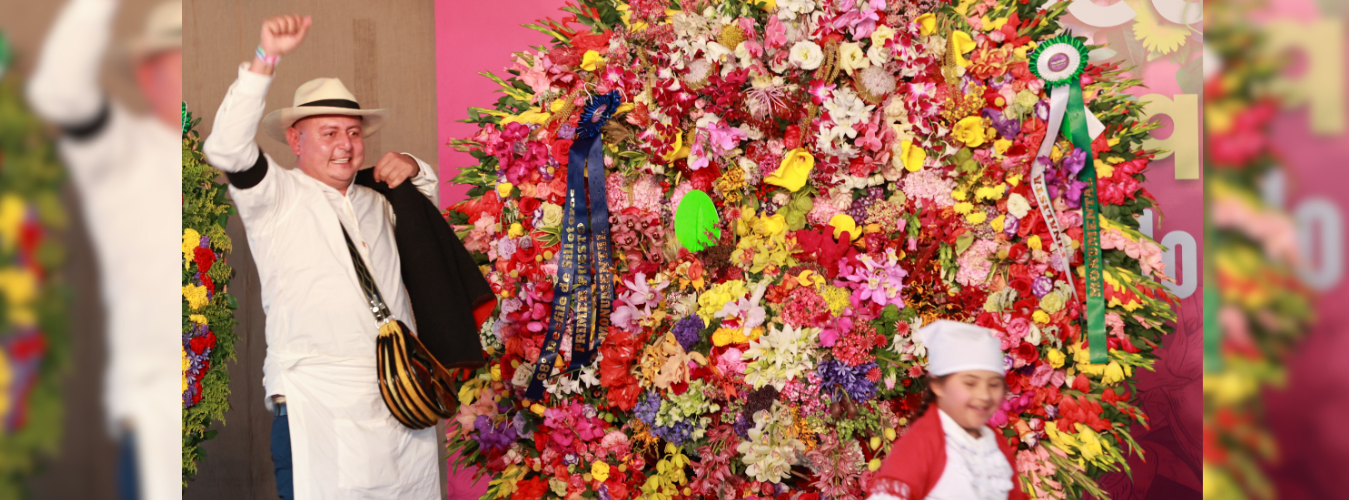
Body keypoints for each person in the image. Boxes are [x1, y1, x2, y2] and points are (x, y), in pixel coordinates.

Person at [202, 14, 442, 500]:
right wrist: (266, 58)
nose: (345, 145)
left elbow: (429, 211)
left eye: (353, 133)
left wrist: (413, 165)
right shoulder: (275, 196)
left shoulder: (379, 200)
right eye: (329, 132)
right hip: (318, 407)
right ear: (295, 140)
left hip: (402, 406)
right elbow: (227, 148)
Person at [27, 1, 183, 499]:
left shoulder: (205, 161)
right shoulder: (119, 146)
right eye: (179, 60)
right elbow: (60, 94)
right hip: (149, 411)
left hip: (195, 404)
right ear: (149, 75)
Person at [866, 320, 1029, 500]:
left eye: (994, 384)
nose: (984, 395)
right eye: (970, 383)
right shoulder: (920, 444)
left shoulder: (995, 443)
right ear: (938, 386)